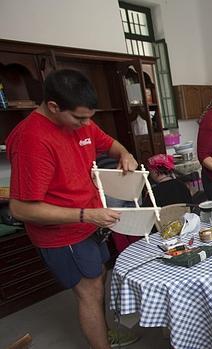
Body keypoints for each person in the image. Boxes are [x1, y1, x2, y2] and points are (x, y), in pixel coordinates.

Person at [6, 69, 139, 349]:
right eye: (79, 118)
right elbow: (20, 209)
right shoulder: (32, 139)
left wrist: (125, 155)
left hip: (91, 222)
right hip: (64, 234)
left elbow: (112, 145)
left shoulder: (83, 124)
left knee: (98, 280)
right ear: (53, 106)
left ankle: (102, 333)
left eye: (90, 117)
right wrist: (86, 214)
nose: (86, 124)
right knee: (89, 292)